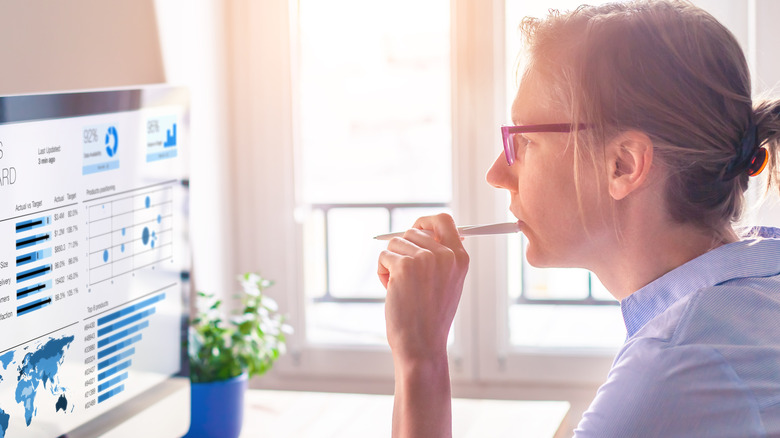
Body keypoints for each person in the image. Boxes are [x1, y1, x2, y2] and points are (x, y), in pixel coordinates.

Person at [377, 0, 780, 436]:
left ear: (623, 165)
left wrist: (421, 356)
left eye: (524, 140)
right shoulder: (757, 289)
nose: (496, 174)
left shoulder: (676, 368)